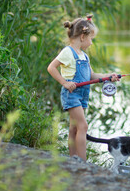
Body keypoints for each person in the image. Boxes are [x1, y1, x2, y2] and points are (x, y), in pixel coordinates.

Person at [47, 14, 120, 161]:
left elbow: (92, 75)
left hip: (83, 95)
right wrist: (64, 82)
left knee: (74, 128)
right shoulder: (68, 52)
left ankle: (73, 159)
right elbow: (51, 68)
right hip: (71, 94)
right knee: (83, 126)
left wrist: (108, 77)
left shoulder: (84, 56)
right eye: (91, 39)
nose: (91, 43)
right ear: (82, 37)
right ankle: (83, 162)